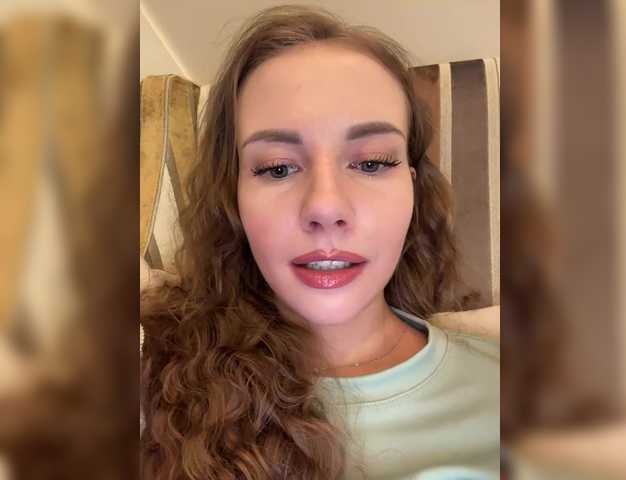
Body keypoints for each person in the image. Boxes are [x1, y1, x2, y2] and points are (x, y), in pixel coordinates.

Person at [140, 5, 499, 479]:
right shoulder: (152, 379)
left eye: (371, 163)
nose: (326, 207)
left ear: (412, 190)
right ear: (235, 199)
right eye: (277, 168)